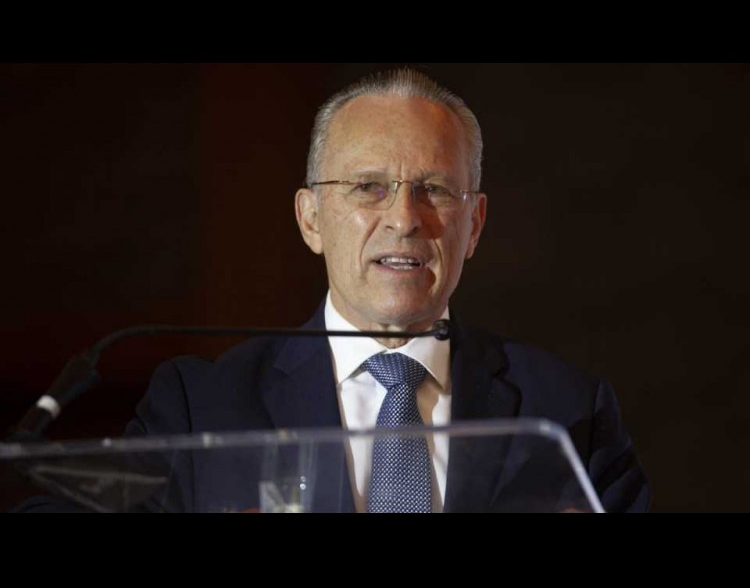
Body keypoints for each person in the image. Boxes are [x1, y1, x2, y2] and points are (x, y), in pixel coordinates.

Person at [18, 67, 651, 513]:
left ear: (475, 224)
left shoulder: (568, 409)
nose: (404, 219)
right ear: (311, 219)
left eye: (433, 189)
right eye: (368, 187)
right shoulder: (203, 405)